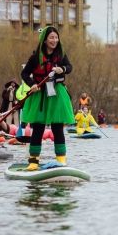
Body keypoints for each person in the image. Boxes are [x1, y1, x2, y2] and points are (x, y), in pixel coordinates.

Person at [18, 25, 75, 171]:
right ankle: (33, 162)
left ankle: (61, 160)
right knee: (38, 128)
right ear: (44, 40)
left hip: (56, 95)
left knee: (57, 128)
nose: (54, 40)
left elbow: (70, 67)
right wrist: (32, 84)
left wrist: (62, 69)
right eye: (51, 37)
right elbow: (24, 74)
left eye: (56, 37)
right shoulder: (35, 57)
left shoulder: (61, 55)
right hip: (40, 96)